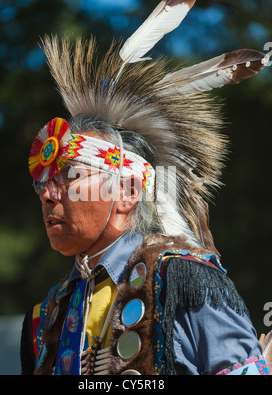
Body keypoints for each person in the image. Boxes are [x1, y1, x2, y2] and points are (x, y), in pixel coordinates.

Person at [20, 0, 271, 375]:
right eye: (43, 182)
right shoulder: (47, 317)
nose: (48, 193)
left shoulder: (183, 283)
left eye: (70, 177)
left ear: (128, 192)